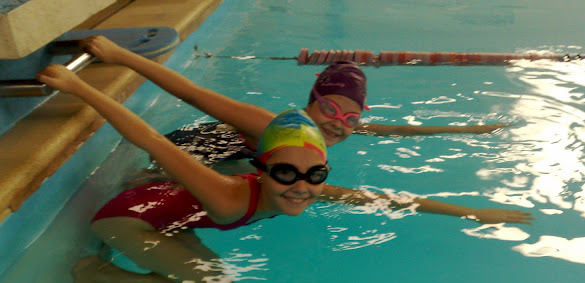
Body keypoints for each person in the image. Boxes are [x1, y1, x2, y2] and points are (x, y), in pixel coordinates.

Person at [36, 65, 533, 283]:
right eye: (287, 174)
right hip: (127, 220)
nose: (301, 187)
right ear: (263, 168)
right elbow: (148, 137)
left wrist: (472, 211)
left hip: (172, 211)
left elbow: (383, 198)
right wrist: (80, 86)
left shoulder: (305, 183)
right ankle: (101, 272)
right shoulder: (230, 193)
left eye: (314, 175)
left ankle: (100, 272)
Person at [82, 36, 509, 168]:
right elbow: (193, 94)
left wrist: (470, 131)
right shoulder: (270, 123)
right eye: (330, 110)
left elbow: (395, 130)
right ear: (311, 103)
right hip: (204, 149)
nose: (339, 123)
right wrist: (122, 56)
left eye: (351, 118)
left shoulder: (331, 128)